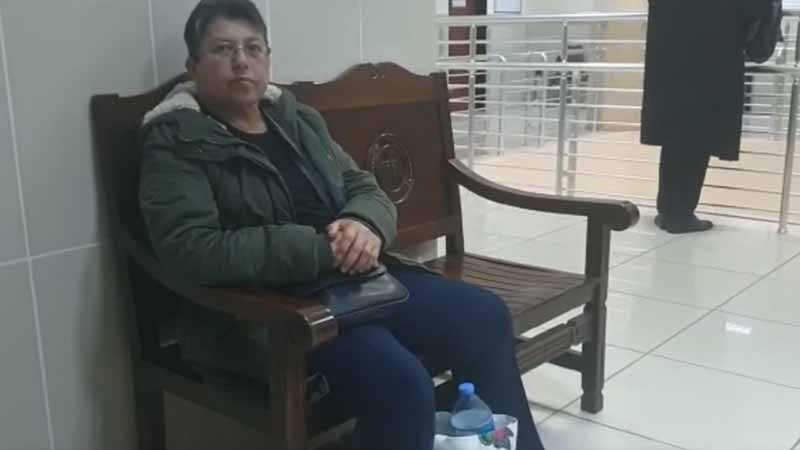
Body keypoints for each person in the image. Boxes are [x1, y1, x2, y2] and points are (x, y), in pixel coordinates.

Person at [138, 1, 545, 449]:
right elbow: (189, 248)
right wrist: (320, 249)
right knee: (400, 381)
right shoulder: (177, 138)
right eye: (223, 49)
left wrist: (364, 223)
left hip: (354, 284)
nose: (241, 61)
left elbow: (363, 186)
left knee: (484, 316)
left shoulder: (295, 119)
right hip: (272, 314)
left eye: (253, 48)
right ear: (193, 66)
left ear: (268, 59)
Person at [641, 0, 773, 233]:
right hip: (709, 65)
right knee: (696, 143)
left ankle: (668, 210)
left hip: (670, 63)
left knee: (675, 142)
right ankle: (680, 215)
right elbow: (755, 9)